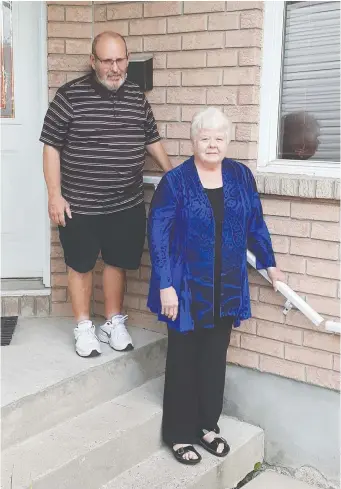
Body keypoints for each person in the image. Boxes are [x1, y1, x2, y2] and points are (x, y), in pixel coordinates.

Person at [147, 107, 285, 465]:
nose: (212, 144)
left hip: (226, 287)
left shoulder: (240, 176)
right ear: (193, 141)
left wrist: (270, 264)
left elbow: (255, 222)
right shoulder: (175, 181)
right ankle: (178, 434)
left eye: (219, 137)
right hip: (186, 288)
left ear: (228, 140)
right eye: (205, 137)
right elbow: (158, 237)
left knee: (214, 359)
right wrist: (165, 286)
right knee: (184, 359)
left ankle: (207, 425)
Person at [40, 32, 172, 357]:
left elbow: (151, 140)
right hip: (79, 204)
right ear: (93, 61)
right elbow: (51, 147)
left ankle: (113, 321)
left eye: (120, 60)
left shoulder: (136, 97)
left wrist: (174, 174)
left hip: (125, 203)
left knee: (117, 264)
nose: (115, 68)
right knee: (80, 265)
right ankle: (84, 326)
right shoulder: (69, 96)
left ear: (127, 59)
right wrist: (54, 195)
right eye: (107, 61)